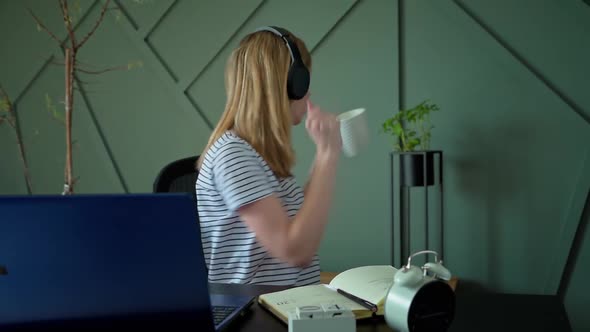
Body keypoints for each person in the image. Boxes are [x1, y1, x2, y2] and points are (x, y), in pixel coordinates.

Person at [195, 26, 342, 286]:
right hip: (256, 314)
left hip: (287, 305)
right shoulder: (233, 155)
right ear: (293, 84)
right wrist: (326, 156)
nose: (308, 92)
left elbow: (300, 223)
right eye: (305, 80)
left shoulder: (259, 155)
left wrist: (326, 155)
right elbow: (294, 250)